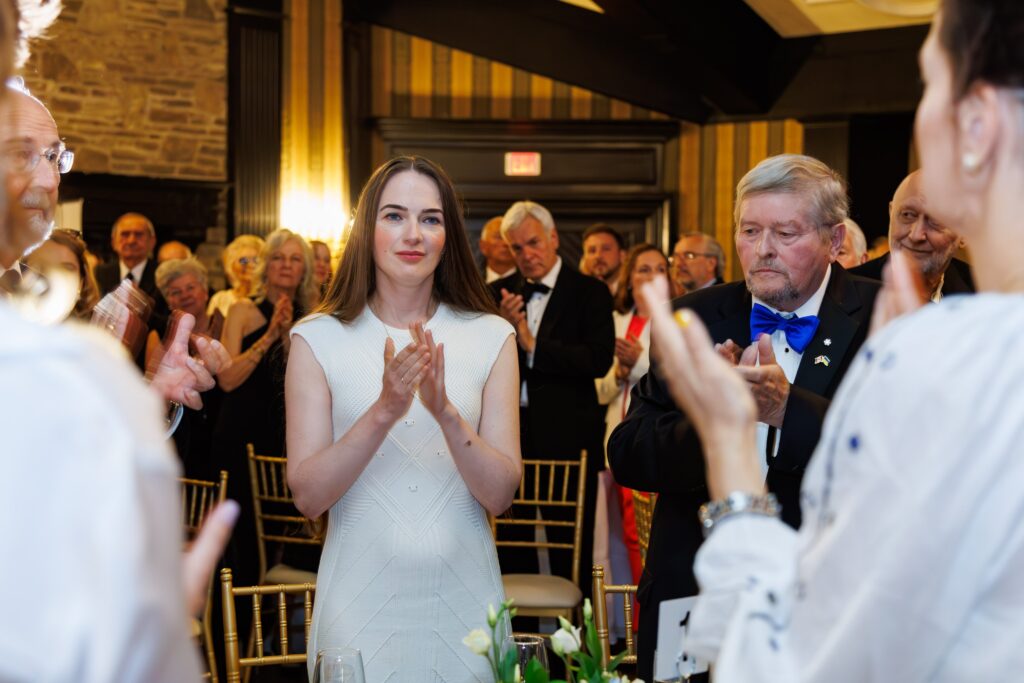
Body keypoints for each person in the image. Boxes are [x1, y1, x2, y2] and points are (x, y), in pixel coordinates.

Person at [641, 2, 1024, 680]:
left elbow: (795, 655)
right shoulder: (953, 344)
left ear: (975, 125)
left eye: (928, 84)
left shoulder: (958, 355)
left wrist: (731, 441)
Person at [0, 5, 236, 679]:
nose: (48, 178)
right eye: (24, 154)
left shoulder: (67, 334)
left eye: (55, 156)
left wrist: (144, 402)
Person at [609, 154, 881, 681]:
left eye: (785, 232)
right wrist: (713, 418)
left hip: (827, 596)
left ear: (835, 240)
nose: (763, 251)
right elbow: (628, 453)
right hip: (693, 589)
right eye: (750, 230)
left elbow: (893, 456)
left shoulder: (882, 315)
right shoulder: (696, 316)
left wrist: (785, 410)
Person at [286, 156, 521, 681]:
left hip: (468, 603)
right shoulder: (317, 338)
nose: (413, 233)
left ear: (449, 235)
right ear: (367, 229)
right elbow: (308, 496)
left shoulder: (491, 337)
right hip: (358, 600)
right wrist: (385, 410)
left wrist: (444, 412)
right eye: (394, 215)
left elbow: (501, 495)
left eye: (431, 219)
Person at [491, 200, 615, 599]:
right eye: (516, 248)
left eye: (532, 243)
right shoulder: (497, 295)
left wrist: (531, 343)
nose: (526, 255)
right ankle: (516, 656)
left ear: (553, 238)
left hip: (569, 441)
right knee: (511, 550)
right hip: (510, 440)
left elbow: (597, 360)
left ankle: (579, 658)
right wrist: (500, 330)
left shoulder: (590, 292)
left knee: (572, 556)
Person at [593, 243, 668, 635]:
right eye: (642, 269)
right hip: (614, 438)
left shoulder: (678, 321)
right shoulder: (616, 321)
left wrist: (637, 361)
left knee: (646, 537)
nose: (651, 275)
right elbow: (600, 391)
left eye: (659, 268)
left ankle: (647, 626)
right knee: (616, 543)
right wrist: (619, 373)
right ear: (630, 277)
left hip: (652, 444)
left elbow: (673, 380)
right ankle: (621, 631)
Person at [147, 258, 224, 479]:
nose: (185, 295)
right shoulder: (159, 336)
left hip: (218, 426)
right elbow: (154, 387)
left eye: (191, 287)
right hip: (177, 430)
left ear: (205, 290)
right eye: (175, 291)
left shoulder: (223, 324)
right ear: (168, 300)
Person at [852, 170, 974, 297]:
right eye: (908, 215)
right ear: (891, 214)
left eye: (936, 221)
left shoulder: (984, 295)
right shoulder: (845, 291)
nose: (916, 235)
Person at [25, 227, 100, 320]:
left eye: (66, 269)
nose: (54, 278)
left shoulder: (95, 332)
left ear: (81, 283)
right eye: (41, 267)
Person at [93, 212, 161, 299]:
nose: (131, 241)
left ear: (152, 242)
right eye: (125, 234)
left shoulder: (162, 276)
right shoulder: (99, 274)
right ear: (113, 242)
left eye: (138, 234)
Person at [208, 233, 264, 318]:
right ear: (231, 265)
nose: (251, 265)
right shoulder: (220, 299)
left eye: (256, 260)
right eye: (243, 260)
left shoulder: (267, 299)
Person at [671, 231, 724, 296]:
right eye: (676, 257)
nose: (678, 264)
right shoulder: (674, 299)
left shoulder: (726, 299)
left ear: (711, 263)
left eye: (689, 255)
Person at [580, 223, 626, 294]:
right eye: (592, 250)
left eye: (606, 249)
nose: (598, 256)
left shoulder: (634, 294)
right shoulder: (574, 293)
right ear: (584, 258)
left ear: (622, 255)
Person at [478, 214, 516, 283]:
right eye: (498, 237)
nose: (506, 243)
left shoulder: (532, 281)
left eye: (510, 237)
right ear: (483, 246)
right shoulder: (470, 280)